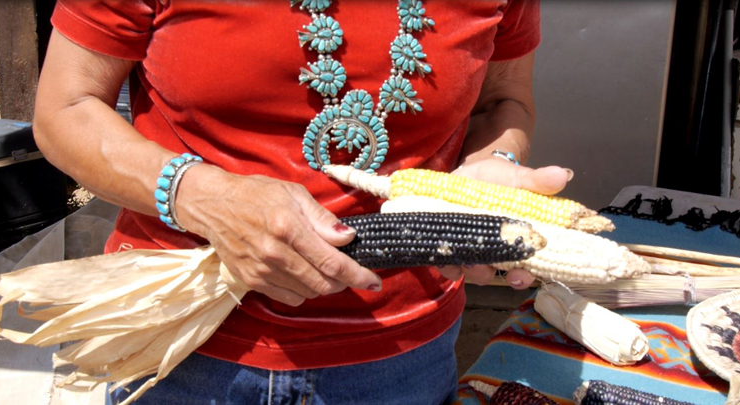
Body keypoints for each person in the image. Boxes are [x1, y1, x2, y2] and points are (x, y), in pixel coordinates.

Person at [33, 0, 571, 403]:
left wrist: (495, 167)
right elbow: (66, 109)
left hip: (399, 356)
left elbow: (504, 101)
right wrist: (201, 195)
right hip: (180, 344)